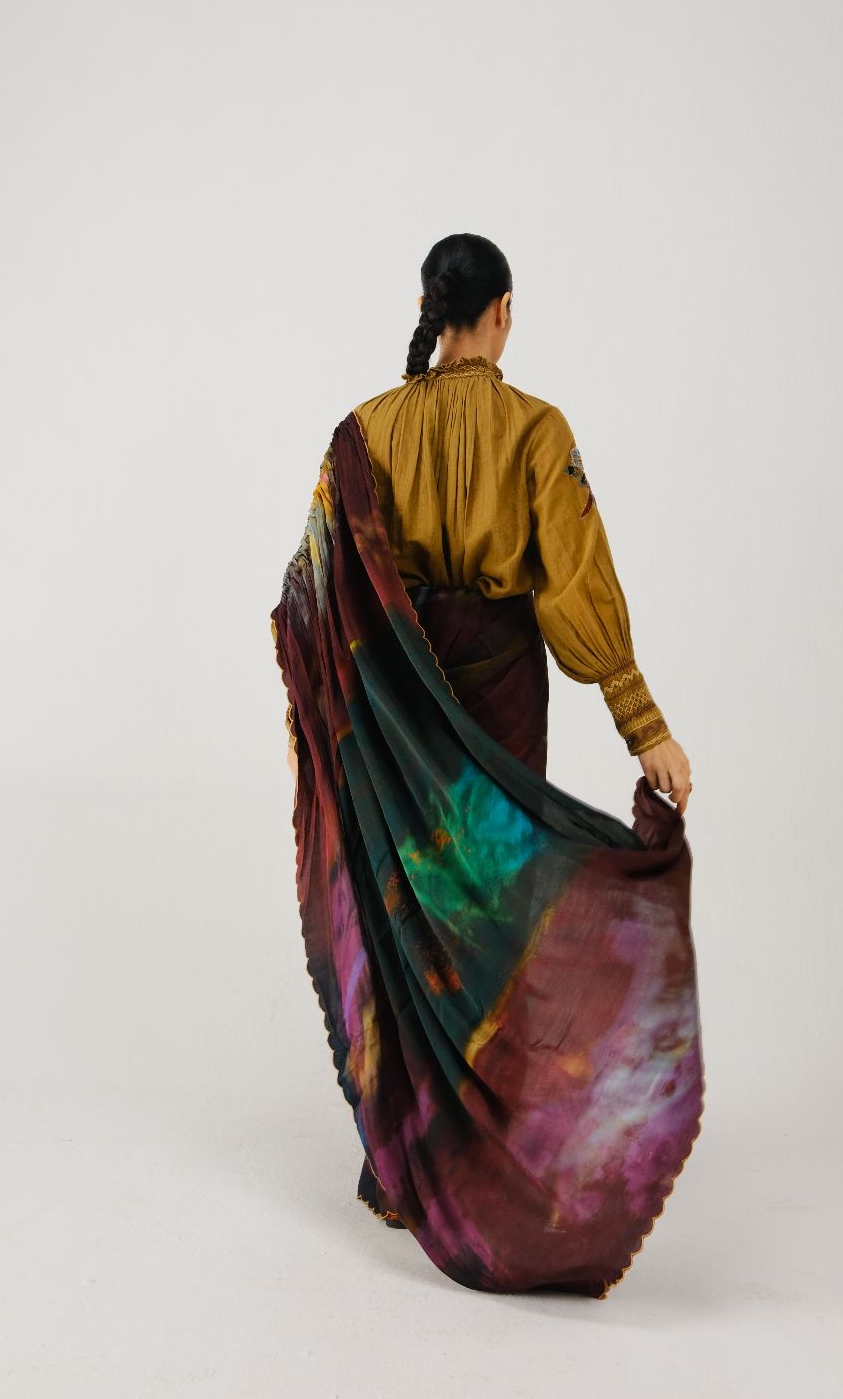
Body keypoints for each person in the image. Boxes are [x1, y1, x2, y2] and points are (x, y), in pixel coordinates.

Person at [270, 233, 704, 1299]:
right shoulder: (535, 431)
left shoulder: (365, 433)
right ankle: (485, 1167)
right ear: (501, 311)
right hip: (501, 690)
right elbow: (573, 584)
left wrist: (341, 709)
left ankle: (401, 1164)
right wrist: (641, 722)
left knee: (410, 909)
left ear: (432, 306)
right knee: (498, 919)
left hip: (398, 708)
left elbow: (310, 592)